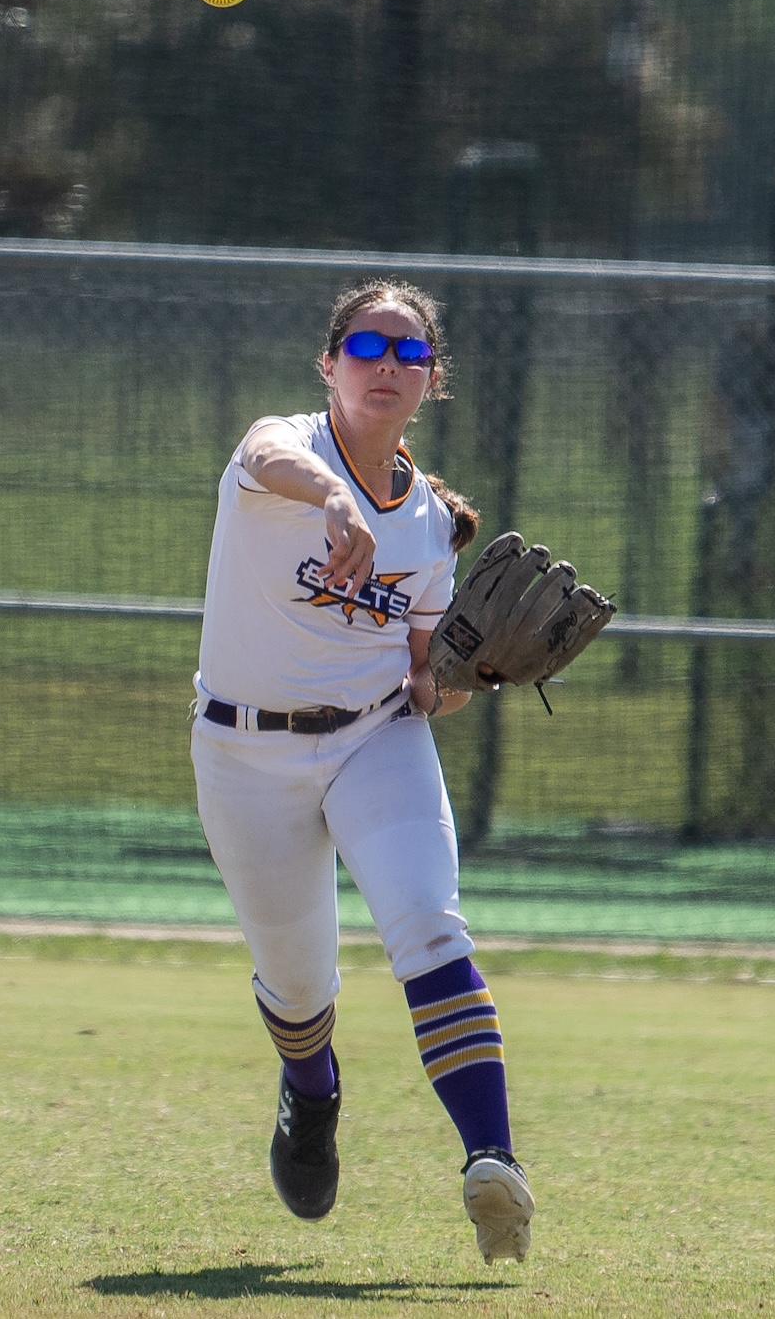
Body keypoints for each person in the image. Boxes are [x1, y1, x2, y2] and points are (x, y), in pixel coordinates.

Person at [190, 279, 534, 1264]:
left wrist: (472, 673)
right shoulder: (282, 449)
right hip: (244, 752)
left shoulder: (429, 528)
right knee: (300, 991)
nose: (389, 365)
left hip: (373, 738)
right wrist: (338, 497)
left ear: (431, 383)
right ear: (330, 364)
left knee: (428, 922)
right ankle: (312, 1092)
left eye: (410, 354)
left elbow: (430, 688)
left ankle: (491, 1160)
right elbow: (268, 456)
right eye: (369, 347)